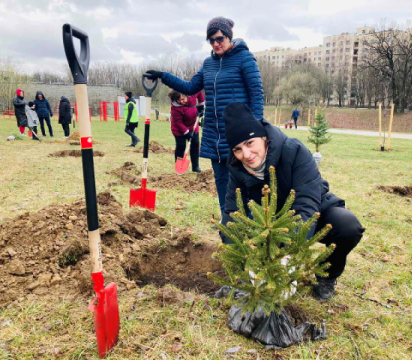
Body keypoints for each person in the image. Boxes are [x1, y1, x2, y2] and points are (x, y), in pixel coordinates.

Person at [221, 102, 365, 300]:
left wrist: (286, 250)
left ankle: (327, 278)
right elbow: (231, 213)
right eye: (237, 149)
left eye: (249, 143)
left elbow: (307, 202)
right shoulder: (238, 169)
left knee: (347, 226)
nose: (246, 155)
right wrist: (241, 259)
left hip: (312, 212)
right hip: (266, 223)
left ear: (263, 137)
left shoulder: (294, 151)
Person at [144, 16, 264, 217]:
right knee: (223, 189)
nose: (216, 44)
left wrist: (257, 130)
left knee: (246, 188)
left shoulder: (245, 59)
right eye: (211, 40)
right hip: (215, 138)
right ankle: (229, 231)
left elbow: (256, 93)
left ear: (229, 36)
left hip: (240, 137)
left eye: (220, 39)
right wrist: (163, 75)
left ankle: (251, 232)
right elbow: (190, 87)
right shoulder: (208, 64)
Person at [168, 89, 204, 173]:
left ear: (186, 95)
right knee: (181, 146)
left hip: (193, 126)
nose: (181, 101)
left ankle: (195, 167)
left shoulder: (192, 94)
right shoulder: (175, 107)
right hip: (178, 129)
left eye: (183, 99)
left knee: (195, 145)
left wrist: (201, 106)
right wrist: (186, 133)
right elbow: (178, 122)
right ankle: (179, 166)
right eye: (179, 100)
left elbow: (199, 92)